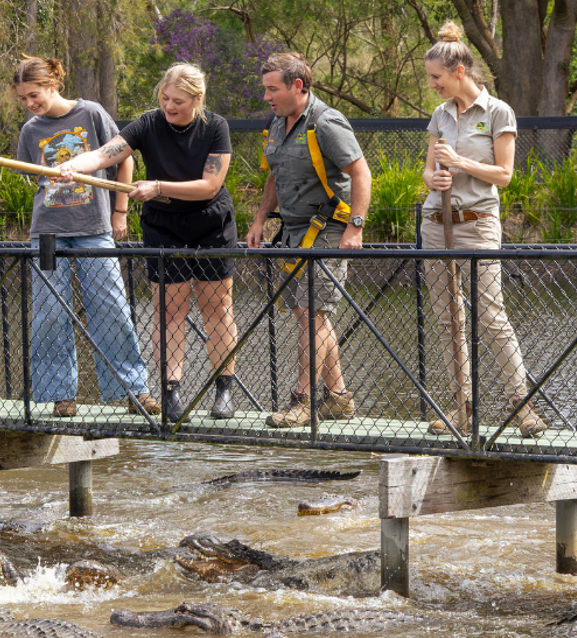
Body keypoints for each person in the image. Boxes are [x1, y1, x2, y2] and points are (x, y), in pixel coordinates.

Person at [52, 63, 238, 423]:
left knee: (217, 307)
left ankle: (224, 390)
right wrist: (74, 165)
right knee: (169, 310)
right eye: (165, 98)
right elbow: (107, 153)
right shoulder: (149, 122)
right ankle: (171, 392)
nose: (169, 106)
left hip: (210, 223)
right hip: (163, 226)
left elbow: (210, 186)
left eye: (178, 101)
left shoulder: (215, 127)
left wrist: (159, 187)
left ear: (197, 99)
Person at [12, 56, 160, 418]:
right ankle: (61, 394)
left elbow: (124, 158)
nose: (30, 104)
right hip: (47, 232)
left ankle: (134, 389)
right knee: (49, 314)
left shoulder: (91, 114)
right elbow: (39, 181)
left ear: (52, 85)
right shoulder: (31, 130)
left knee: (111, 308)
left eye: (34, 95)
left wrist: (119, 210)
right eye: (24, 99)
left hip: (94, 228)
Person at [421, 23, 547, 439]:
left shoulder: (498, 112)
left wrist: (459, 164)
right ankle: (462, 409)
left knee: (491, 316)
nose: (432, 85)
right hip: (436, 226)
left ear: (459, 71)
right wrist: (433, 179)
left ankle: (522, 405)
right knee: (448, 320)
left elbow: (504, 174)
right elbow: (429, 169)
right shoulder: (440, 115)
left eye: (436, 77)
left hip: (478, 225)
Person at [245, 52, 370, 429]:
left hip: (330, 227)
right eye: (265, 89)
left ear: (297, 86)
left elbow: (361, 174)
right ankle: (339, 397)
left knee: (313, 314)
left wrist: (356, 227)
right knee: (307, 313)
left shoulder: (326, 122)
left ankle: (303, 400)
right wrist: (260, 217)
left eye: (272, 89)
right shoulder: (279, 124)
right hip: (295, 231)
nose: (266, 96)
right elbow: (275, 175)